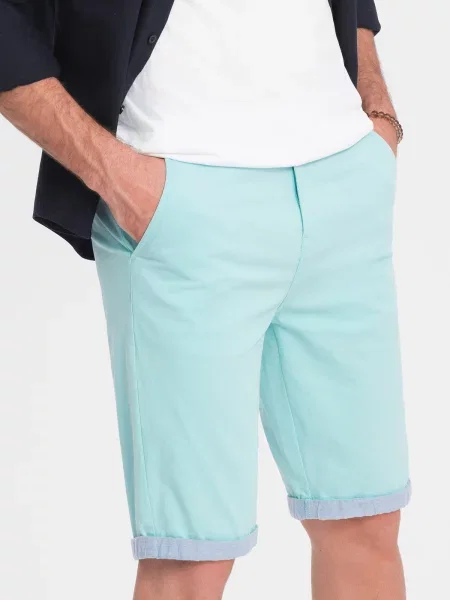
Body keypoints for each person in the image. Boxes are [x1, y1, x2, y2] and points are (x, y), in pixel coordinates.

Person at [0, 0, 410, 598]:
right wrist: (114, 174)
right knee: (191, 558)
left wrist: (377, 108)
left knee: (366, 519)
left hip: (343, 184)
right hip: (182, 203)